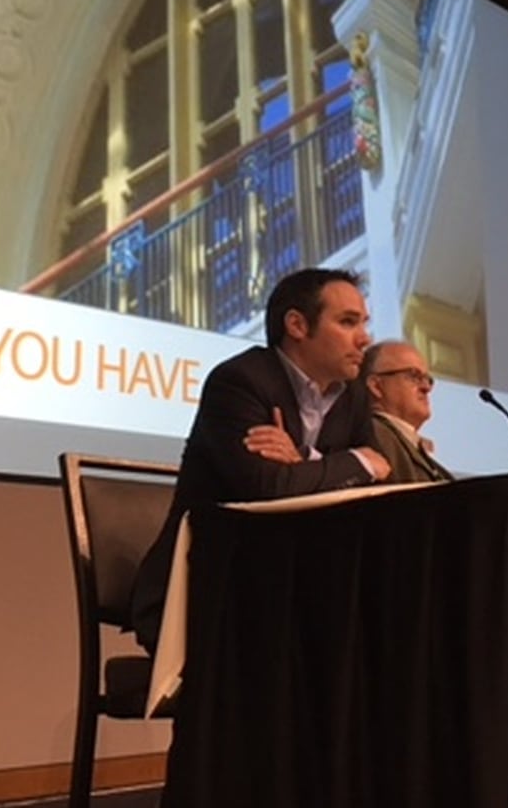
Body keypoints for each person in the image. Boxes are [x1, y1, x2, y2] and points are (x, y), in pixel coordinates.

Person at [129, 267, 391, 651]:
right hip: (212, 589)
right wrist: (357, 462)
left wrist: (302, 457)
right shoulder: (239, 381)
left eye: (364, 323)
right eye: (348, 322)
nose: (364, 338)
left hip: (298, 582)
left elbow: (384, 480)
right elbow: (269, 489)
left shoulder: (352, 397)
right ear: (297, 325)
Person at [362, 340, 453, 483]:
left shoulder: (410, 445)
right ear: (376, 386)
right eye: (414, 376)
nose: (426, 388)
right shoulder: (372, 433)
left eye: (427, 379)